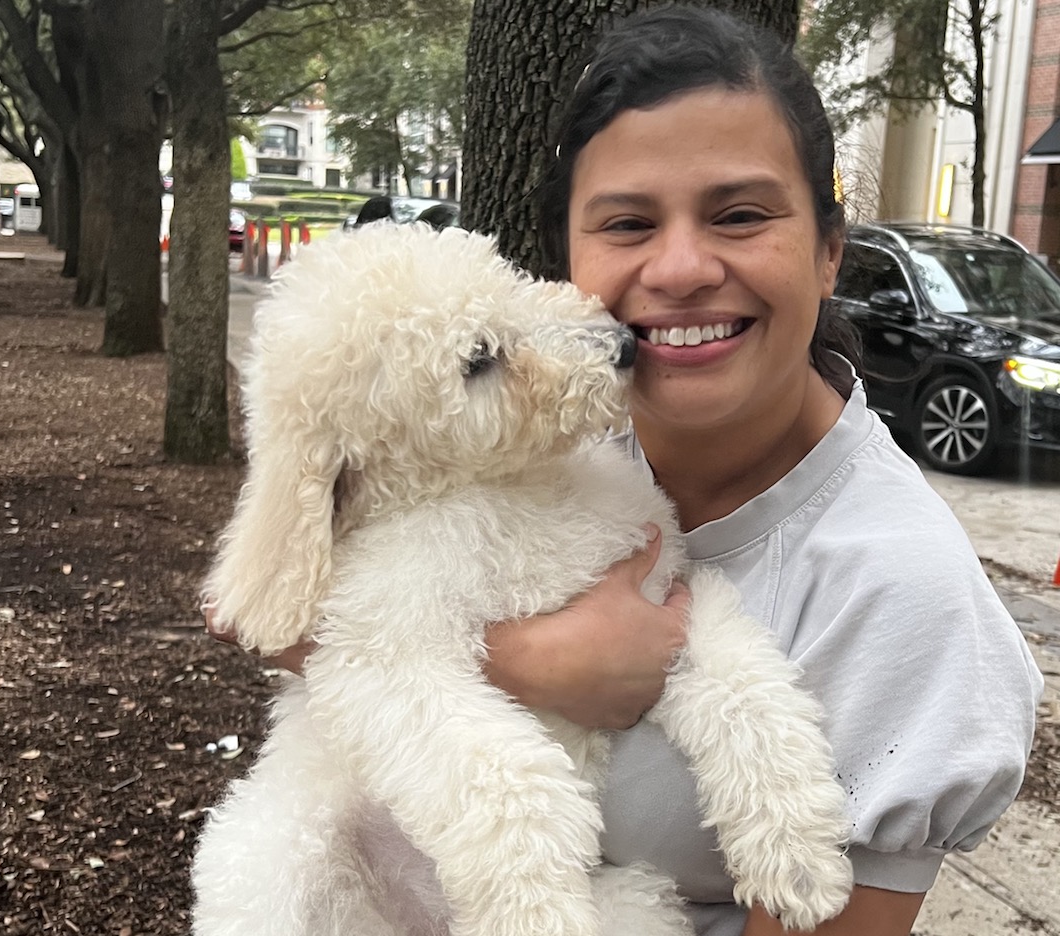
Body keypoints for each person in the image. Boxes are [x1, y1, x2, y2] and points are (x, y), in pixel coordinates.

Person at [208, 6, 1044, 934]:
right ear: (567, 255)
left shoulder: (907, 598)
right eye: (629, 222)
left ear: (829, 251)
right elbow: (267, 606)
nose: (680, 267)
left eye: (739, 214)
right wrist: (538, 661)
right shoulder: (552, 436)